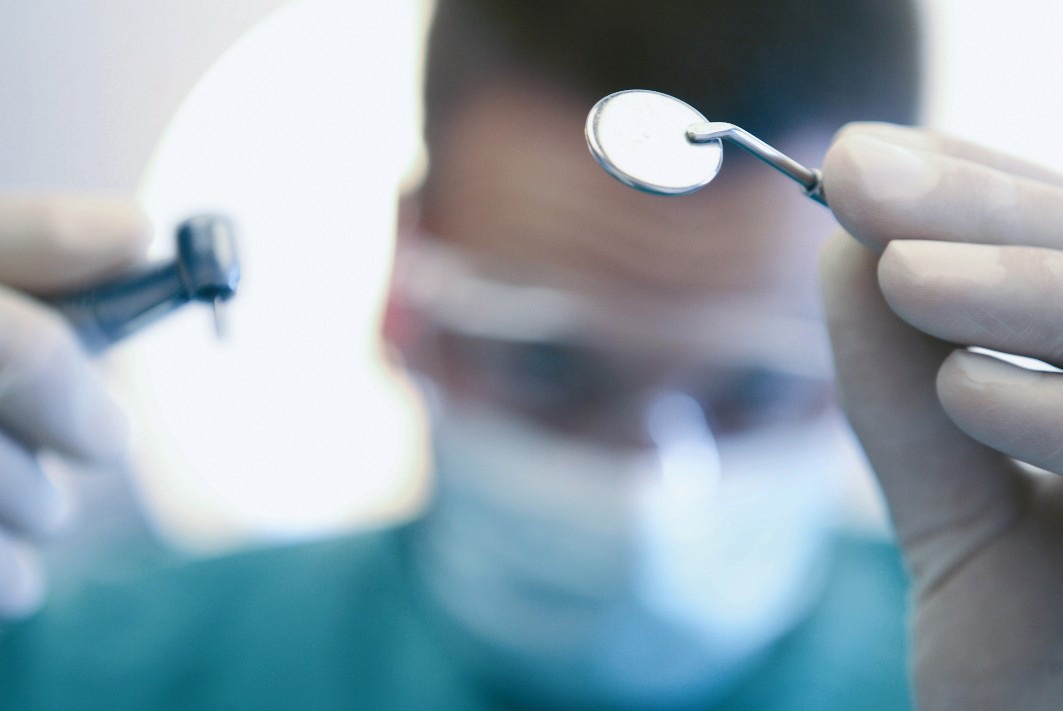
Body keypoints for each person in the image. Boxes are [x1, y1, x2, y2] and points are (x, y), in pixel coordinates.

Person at [2, 0, 1057, 709]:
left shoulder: (1022, 645)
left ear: (865, 350)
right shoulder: (93, 672)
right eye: (547, 364)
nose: (647, 488)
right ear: (403, 281)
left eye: (752, 386)